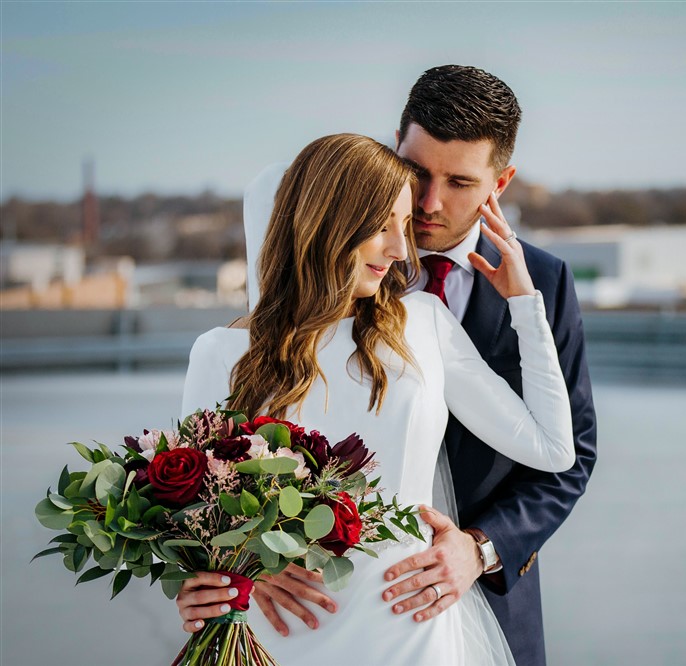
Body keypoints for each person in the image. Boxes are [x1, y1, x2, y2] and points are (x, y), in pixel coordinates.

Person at [186, 65, 598, 666]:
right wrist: (242, 563)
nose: (428, 205)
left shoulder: (538, 283)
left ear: (499, 182)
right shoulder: (240, 336)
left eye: (458, 181)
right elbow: (208, 487)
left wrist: (478, 550)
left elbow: (568, 457)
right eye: (415, 174)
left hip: (451, 608)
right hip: (294, 615)